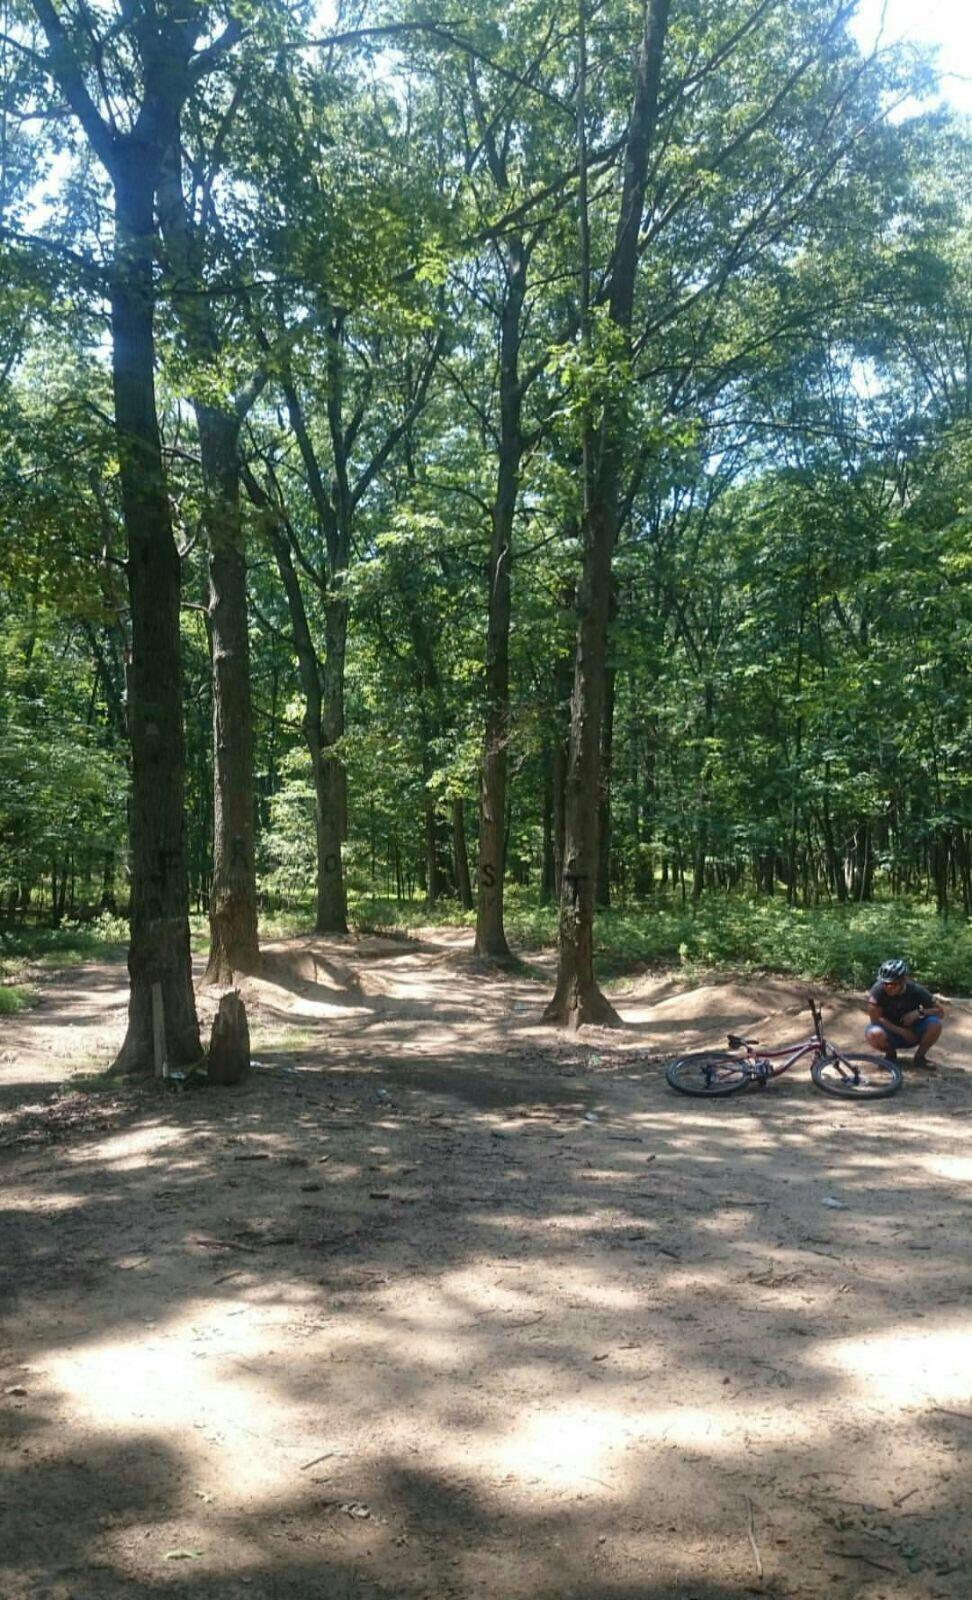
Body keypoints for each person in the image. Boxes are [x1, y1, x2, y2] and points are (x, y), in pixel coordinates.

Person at [865, 958, 943, 1067]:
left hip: (914, 1030)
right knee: (873, 1033)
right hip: (890, 1032)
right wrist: (901, 1031)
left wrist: (918, 1013)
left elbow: (940, 1012)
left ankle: (920, 1058)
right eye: (885, 983)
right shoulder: (877, 991)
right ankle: (890, 1056)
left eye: (893, 984)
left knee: (935, 1024)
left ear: (903, 981)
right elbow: (875, 1018)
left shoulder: (916, 990)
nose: (888, 987)